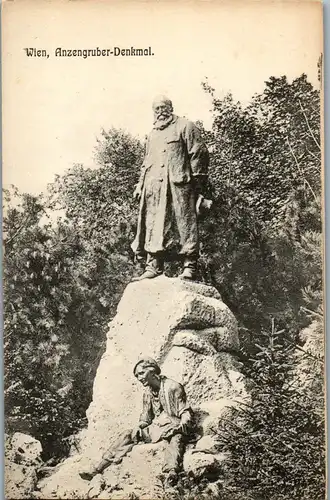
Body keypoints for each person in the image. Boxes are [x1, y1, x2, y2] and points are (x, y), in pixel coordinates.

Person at [79, 356, 194, 487]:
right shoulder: (148, 393)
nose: (139, 378)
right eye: (137, 376)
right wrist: (140, 426)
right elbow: (146, 417)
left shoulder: (173, 387)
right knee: (128, 434)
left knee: (175, 439)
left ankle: (171, 473)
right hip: (157, 428)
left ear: (152, 371)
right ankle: (98, 468)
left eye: (141, 373)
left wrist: (180, 426)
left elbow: (185, 412)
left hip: (174, 426)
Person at [131, 95, 209, 281]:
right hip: (154, 189)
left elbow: (199, 154)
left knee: (185, 224)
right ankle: (153, 265)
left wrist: (198, 186)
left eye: (163, 107)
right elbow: (146, 162)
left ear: (170, 108)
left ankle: (190, 266)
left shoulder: (185, 126)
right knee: (153, 226)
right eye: (156, 109)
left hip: (179, 186)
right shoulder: (152, 134)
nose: (160, 112)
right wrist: (140, 185)